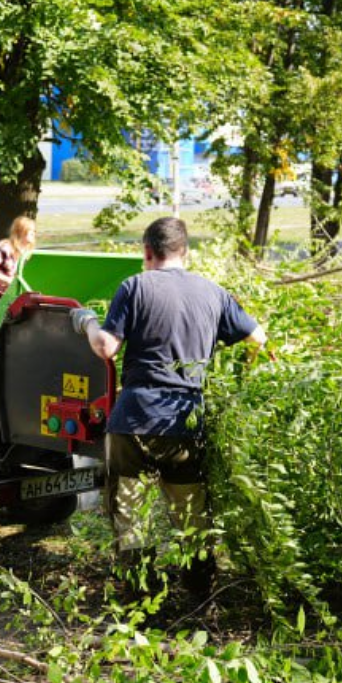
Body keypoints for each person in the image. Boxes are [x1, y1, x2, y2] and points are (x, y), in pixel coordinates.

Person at [72, 217, 267, 597]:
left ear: (147, 251)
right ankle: (200, 598)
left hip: (134, 421)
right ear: (185, 252)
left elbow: (106, 348)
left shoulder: (135, 286)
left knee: (131, 517)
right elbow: (258, 338)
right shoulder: (214, 293)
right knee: (192, 515)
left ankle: (139, 602)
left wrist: (87, 322)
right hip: (185, 420)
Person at [0, 217, 36, 302]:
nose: (33, 233)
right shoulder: (5, 248)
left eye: (34, 231)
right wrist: (8, 280)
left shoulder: (29, 254)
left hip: (8, 297)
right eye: (30, 230)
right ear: (21, 231)